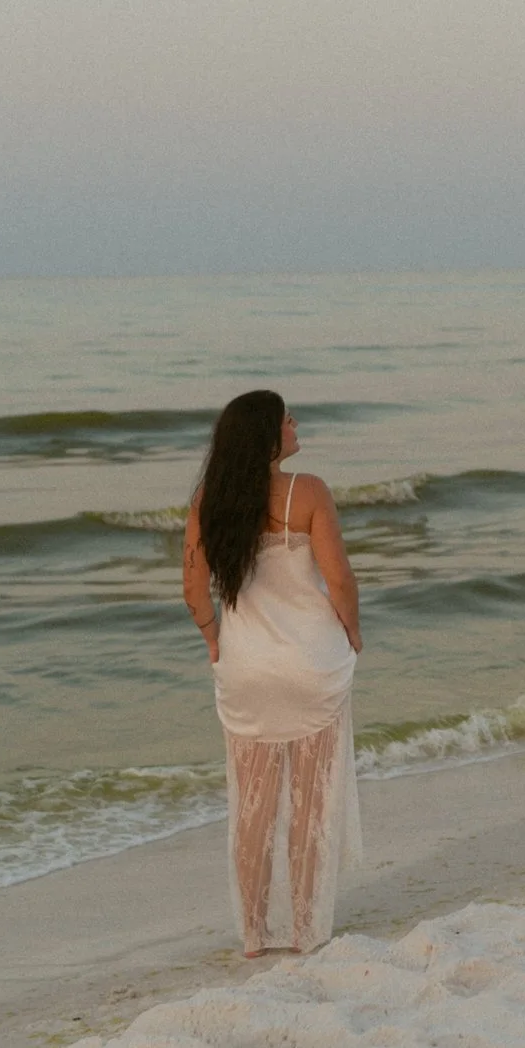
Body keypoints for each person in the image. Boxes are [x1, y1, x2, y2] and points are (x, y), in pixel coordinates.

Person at [182, 390, 365, 955]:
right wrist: (352, 632)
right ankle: (308, 930)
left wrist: (215, 641)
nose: (294, 423)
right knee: (311, 802)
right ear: (267, 437)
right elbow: (339, 580)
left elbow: (193, 590)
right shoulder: (306, 491)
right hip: (310, 663)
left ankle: (255, 934)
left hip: (246, 669)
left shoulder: (209, 501)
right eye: (285, 417)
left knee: (252, 806)